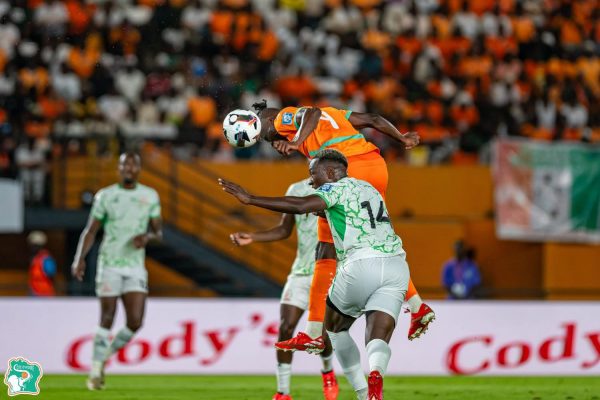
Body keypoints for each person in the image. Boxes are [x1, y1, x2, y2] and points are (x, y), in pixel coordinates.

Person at [219, 149, 410, 400]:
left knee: (334, 330)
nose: (311, 181)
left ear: (330, 172)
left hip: (360, 264)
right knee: (378, 334)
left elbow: (300, 206)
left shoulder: (334, 189)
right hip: (396, 266)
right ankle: (375, 373)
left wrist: (250, 199)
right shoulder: (369, 189)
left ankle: (361, 391)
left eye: (314, 174)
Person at [251, 100, 434, 351]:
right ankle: (417, 306)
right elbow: (372, 119)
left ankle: (313, 332)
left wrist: (295, 142)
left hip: (348, 170)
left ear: (270, 121)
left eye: (266, 135)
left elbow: (312, 112)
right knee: (377, 239)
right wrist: (401, 138)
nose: (269, 140)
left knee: (325, 250)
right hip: (376, 167)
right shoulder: (334, 115)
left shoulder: (283, 118)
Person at [230, 178, 339, 400]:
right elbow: (284, 229)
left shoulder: (342, 188)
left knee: (321, 335)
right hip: (301, 272)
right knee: (285, 328)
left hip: (328, 272)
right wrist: (253, 237)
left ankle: (328, 372)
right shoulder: (297, 189)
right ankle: (283, 392)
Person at [71, 152, 162, 390]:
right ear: (119, 169)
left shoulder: (150, 195)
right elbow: (90, 230)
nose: (129, 168)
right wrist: (79, 258)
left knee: (135, 321)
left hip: (135, 266)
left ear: (139, 169)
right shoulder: (106, 196)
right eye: (124, 164)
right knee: (107, 316)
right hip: (109, 263)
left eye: (133, 164)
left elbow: (158, 232)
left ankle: (104, 357)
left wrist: (147, 237)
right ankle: (94, 372)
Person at [27, 231, 57, 296]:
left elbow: (51, 275)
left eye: (34, 245)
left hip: (44, 294)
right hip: (35, 292)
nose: (31, 248)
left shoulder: (46, 259)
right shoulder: (35, 258)